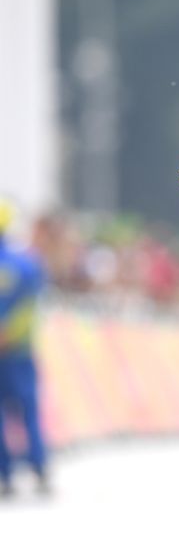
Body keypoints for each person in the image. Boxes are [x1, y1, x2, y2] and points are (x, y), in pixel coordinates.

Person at [0, 200, 49, 497]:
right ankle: (39, 469)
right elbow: (31, 309)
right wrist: (9, 334)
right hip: (19, 351)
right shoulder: (28, 264)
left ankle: (5, 474)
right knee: (29, 411)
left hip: (15, 352)